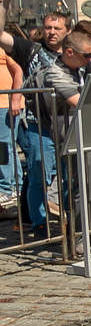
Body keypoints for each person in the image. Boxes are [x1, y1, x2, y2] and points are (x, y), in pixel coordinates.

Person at [0, 0, 71, 233]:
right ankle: (39, 223)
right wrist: (4, 5)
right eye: (48, 27)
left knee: (69, 176)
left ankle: (70, 220)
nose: (51, 32)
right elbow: (0, 35)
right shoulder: (31, 50)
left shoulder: (73, 55)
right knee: (39, 174)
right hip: (37, 125)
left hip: (67, 125)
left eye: (57, 28)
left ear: (67, 31)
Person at [39, 30, 91, 251]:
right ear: (69, 52)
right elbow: (82, 102)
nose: (90, 59)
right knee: (84, 186)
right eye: (86, 55)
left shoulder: (84, 66)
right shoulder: (54, 73)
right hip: (72, 135)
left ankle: (90, 233)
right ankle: (79, 238)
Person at [0, 43, 23, 213]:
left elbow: (18, 71)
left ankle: (7, 189)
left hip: (4, 105)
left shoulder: (4, 47)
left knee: (4, 146)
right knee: (7, 146)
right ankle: (14, 186)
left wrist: (15, 97)